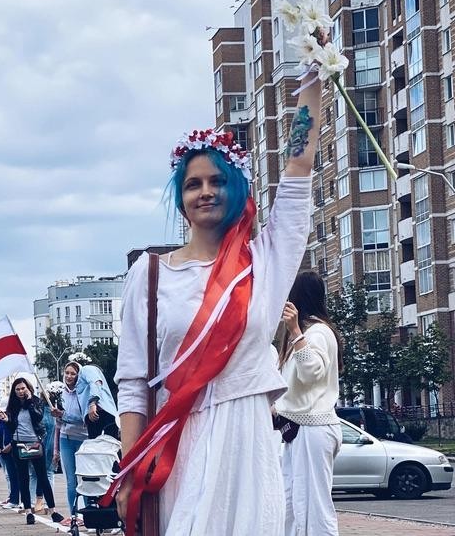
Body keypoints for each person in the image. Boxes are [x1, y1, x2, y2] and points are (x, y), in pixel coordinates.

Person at [112, 63, 324, 535]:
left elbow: (298, 166)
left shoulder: (265, 261)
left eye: (217, 181)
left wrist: (315, 74)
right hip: (174, 446)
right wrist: (129, 472)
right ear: (179, 197)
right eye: (193, 183)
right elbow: (132, 383)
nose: (205, 191)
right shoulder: (147, 275)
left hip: (246, 440)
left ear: (236, 189)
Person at [274, 271, 343, 535]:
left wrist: (294, 331)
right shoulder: (310, 333)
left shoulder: (318, 333)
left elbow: (311, 372)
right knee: (291, 502)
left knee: (315, 506)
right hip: (299, 429)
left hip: (314, 428)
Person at [6, 377, 63, 525]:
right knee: (23, 478)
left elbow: (38, 418)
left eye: (23, 388)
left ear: (28, 388)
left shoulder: (36, 401)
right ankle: (28, 512)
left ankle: (53, 511)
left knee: (42, 477)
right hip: (18, 444)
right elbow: (12, 427)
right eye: (17, 389)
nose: (20, 391)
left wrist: (30, 401)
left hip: (35, 443)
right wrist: (6, 420)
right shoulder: (12, 405)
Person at [51, 362, 92, 524]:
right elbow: (58, 426)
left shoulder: (84, 393)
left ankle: (88, 514)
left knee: (86, 479)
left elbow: (85, 420)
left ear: (79, 375)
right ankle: (74, 514)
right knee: (71, 482)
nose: (69, 376)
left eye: (73, 373)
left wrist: (64, 415)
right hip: (65, 440)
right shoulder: (61, 395)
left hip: (83, 440)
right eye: (67, 373)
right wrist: (56, 451)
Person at [0, 403, 20, 509]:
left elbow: (16, 432)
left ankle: (23, 499)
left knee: (20, 476)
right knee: (11, 476)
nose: (2, 414)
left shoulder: (13, 418)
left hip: (14, 448)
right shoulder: (1, 420)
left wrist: (10, 445)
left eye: (3, 412)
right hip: (4, 450)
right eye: (0, 412)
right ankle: (13, 499)